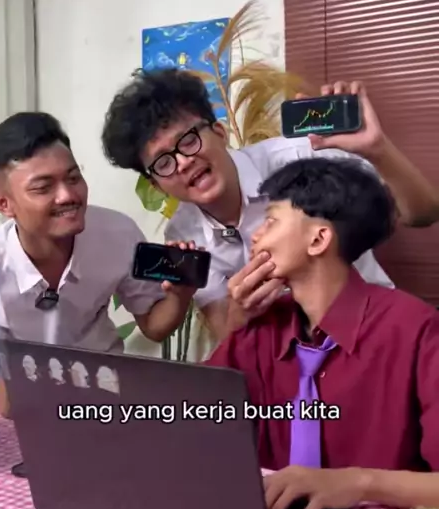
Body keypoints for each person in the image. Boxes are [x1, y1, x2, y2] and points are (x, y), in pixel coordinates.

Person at [101, 68, 439, 341]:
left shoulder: (303, 156)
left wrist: (378, 150)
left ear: (219, 132)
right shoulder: (185, 233)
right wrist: (240, 310)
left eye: (188, 141)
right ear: (155, 183)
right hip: (292, 361)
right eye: (163, 162)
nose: (183, 162)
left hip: (373, 331)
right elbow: (227, 333)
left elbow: (423, 213)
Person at [205, 157, 439, 509]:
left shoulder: (416, 330)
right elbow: (192, 420)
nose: (256, 235)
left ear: (318, 239)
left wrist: (358, 483)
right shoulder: (260, 328)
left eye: (271, 221)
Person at [0, 112, 195, 411]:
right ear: (3, 203)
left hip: (106, 397)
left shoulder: (118, 233)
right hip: (23, 407)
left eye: (73, 178)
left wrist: (180, 296)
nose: (67, 196)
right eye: (43, 188)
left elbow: (154, 326)